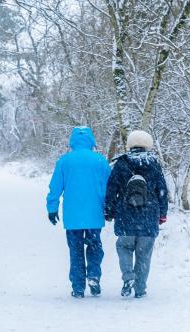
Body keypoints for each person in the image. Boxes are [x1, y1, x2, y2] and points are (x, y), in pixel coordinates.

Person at [46, 127, 111, 298]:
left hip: (73, 216)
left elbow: (55, 188)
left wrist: (52, 208)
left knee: (75, 250)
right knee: (95, 246)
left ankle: (78, 286)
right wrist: (109, 207)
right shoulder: (100, 161)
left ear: (72, 141)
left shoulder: (64, 161)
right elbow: (109, 188)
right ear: (91, 140)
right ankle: (94, 275)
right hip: (94, 213)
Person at [104, 130, 168, 299]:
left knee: (124, 248)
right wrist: (162, 214)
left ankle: (128, 277)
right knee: (144, 254)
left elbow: (111, 190)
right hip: (148, 218)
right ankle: (140, 289)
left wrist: (109, 211)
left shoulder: (121, 163)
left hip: (126, 217)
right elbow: (162, 190)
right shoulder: (154, 164)